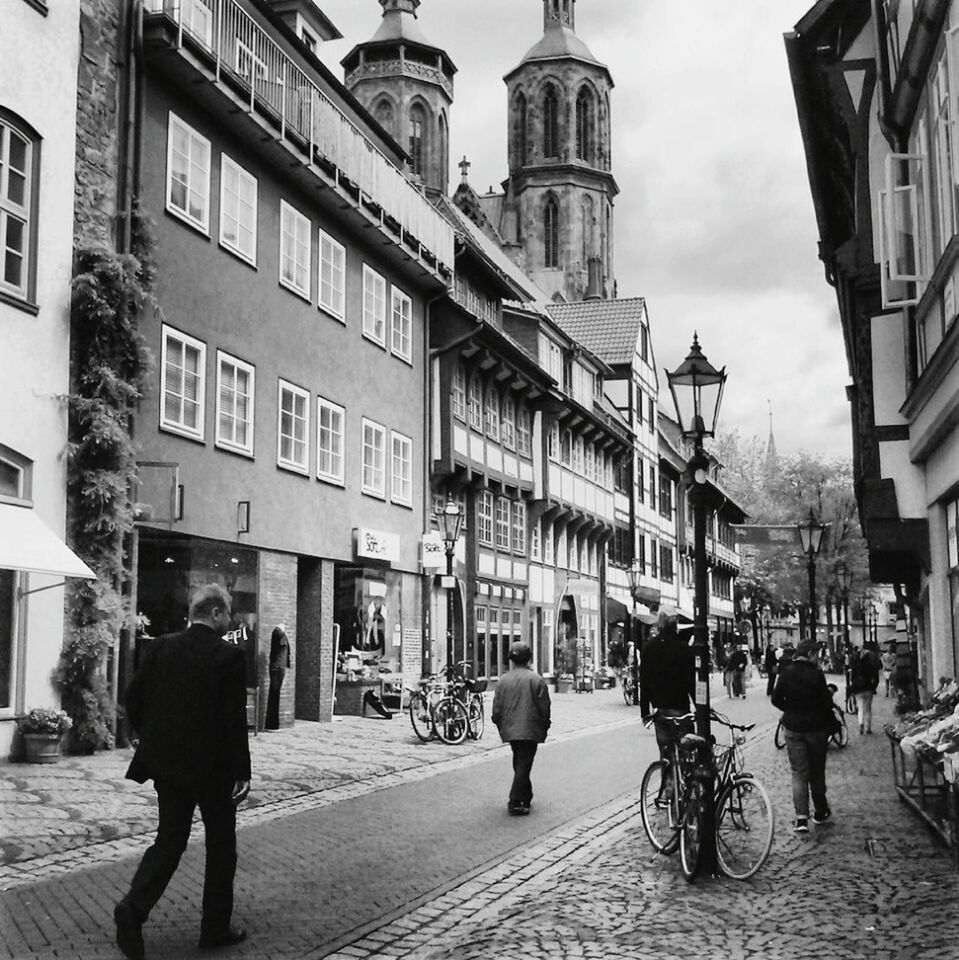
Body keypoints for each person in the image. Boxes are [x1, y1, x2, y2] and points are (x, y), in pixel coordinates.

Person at [114, 584, 251, 960]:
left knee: (169, 841)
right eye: (228, 615)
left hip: (169, 767)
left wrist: (149, 738)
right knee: (221, 847)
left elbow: (133, 698)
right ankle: (214, 928)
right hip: (214, 771)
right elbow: (233, 719)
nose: (230, 621)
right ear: (217, 613)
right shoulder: (229, 656)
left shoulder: (161, 647)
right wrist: (243, 770)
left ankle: (134, 907)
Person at [772, 638, 834, 833]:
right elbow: (826, 703)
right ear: (810, 654)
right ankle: (820, 810)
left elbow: (776, 699)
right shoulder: (816, 675)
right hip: (816, 728)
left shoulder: (786, 672)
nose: (818, 658)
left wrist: (790, 709)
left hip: (793, 727)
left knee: (798, 773)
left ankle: (800, 818)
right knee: (816, 771)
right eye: (816, 654)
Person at [491, 641, 551, 816]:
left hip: (510, 729)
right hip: (530, 728)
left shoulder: (503, 681)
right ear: (529, 659)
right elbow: (544, 707)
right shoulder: (536, 680)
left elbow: (497, 709)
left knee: (520, 761)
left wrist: (500, 724)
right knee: (524, 763)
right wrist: (544, 724)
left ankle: (526, 794)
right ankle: (515, 801)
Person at [640, 613, 696, 761]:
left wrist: (645, 712)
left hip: (662, 711)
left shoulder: (649, 648)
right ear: (675, 625)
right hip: (681, 709)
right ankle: (684, 779)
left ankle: (669, 781)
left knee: (666, 756)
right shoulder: (684, 649)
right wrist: (701, 707)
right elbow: (691, 682)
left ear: (660, 625)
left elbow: (644, 681)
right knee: (686, 753)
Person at [852, 639, 881, 734]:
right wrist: (874, 688)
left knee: (860, 708)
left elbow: (852, 676)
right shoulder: (871, 662)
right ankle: (867, 728)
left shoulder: (856, 662)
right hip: (868, 687)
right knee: (868, 709)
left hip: (858, 687)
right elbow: (876, 677)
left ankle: (860, 723)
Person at [266, 621, 291, 730]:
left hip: (278, 667)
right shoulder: (278, 634)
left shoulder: (278, 635)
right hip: (278, 668)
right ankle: (272, 724)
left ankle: (273, 723)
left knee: (275, 694)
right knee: (274, 694)